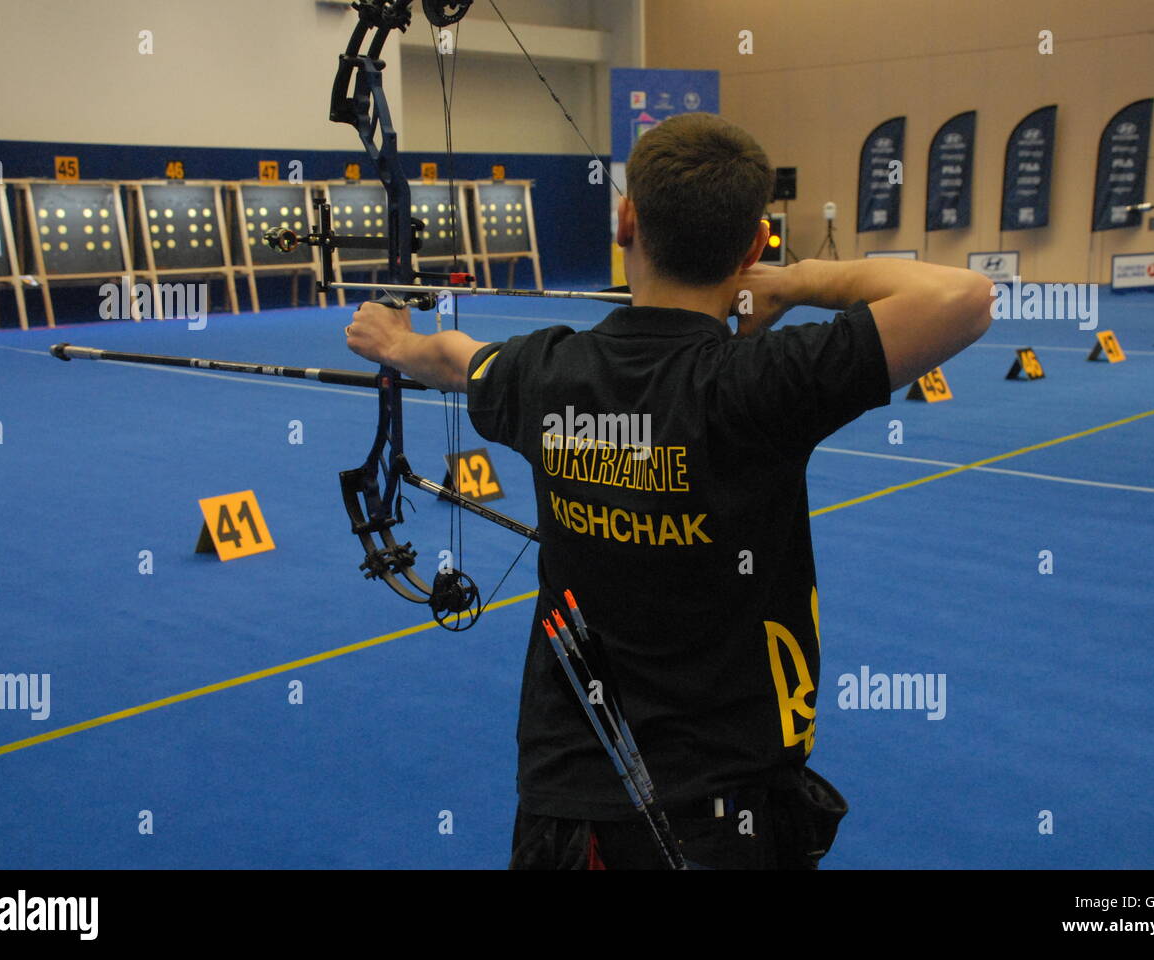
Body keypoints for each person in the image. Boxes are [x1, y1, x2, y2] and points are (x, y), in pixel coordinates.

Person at [345, 112, 992, 869]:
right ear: (753, 244)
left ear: (627, 220)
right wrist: (793, 281)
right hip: (727, 817)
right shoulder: (763, 384)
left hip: (569, 805)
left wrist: (394, 342)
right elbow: (965, 297)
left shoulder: (546, 373)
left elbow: (457, 359)